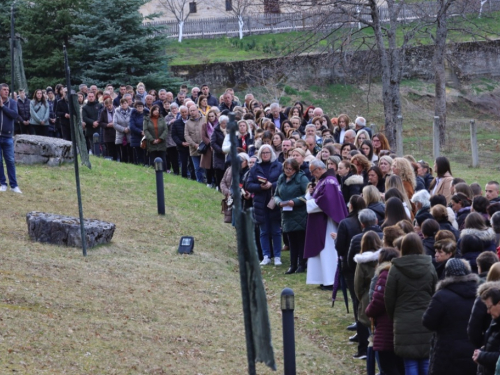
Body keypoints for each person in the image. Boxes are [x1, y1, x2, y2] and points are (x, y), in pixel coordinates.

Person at [385, 232, 438, 375]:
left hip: (404, 319)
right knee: (426, 360)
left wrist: (395, 316)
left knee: (409, 363)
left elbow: (389, 298)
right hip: (426, 318)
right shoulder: (430, 266)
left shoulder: (396, 269)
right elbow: (435, 294)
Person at [422, 258, 478, 375]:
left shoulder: (441, 296)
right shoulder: (477, 293)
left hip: (447, 351)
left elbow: (428, 322)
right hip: (473, 351)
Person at [304, 160, 348, 288]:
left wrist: (309, 203)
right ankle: (324, 279)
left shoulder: (329, 181)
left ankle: (331, 280)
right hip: (321, 221)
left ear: (318, 169)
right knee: (323, 251)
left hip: (327, 223)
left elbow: (327, 201)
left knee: (327, 251)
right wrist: (310, 194)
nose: (313, 175)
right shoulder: (325, 180)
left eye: (313, 172)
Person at [365, 248, 405, 375]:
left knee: (388, 365)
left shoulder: (385, 274)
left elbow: (378, 301)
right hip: (401, 325)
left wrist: (369, 311)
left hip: (386, 325)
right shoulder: (402, 272)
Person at [246, 145, 283, 266]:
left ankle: (277, 256)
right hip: (260, 203)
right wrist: (260, 187)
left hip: (274, 202)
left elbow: (283, 181)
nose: (265, 154)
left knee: (276, 231)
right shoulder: (255, 168)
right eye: (263, 153)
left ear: (271, 153)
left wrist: (271, 185)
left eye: (267, 152)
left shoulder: (278, 166)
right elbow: (248, 185)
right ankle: (266, 255)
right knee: (264, 231)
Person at [335, 195, 367, 333]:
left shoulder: (345, 223)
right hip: (367, 263)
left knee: (355, 297)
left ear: (351, 206)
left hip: (350, 265)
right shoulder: (366, 221)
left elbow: (339, 247)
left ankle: (360, 327)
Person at [274, 158, 309, 274]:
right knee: (291, 241)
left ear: (295, 169)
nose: (288, 171)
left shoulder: (301, 178)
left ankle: (302, 264)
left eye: (290, 169)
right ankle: (292, 264)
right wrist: (279, 202)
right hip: (286, 213)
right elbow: (276, 194)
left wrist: (295, 201)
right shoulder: (281, 178)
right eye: (286, 169)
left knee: (300, 240)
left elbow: (308, 194)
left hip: (299, 213)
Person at [353, 231, 382, 361]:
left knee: (363, 321)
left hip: (366, 296)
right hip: (380, 294)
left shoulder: (362, 262)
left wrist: (361, 297)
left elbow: (358, 284)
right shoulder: (383, 258)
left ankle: (363, 350)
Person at [474, 281, 500, 374]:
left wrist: (482, 356)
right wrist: (481, 352)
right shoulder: (495, 320)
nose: (488, 312)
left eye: (489, 307)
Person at [0, 83, 22, 193]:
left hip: (8, 136)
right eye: (4, 89)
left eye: (7, 90)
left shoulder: (12, 102)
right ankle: (2, 183)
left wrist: (2, 107)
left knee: (10, 160)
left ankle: (14, 185)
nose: (6, 91)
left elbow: (14, 115)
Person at [143, 105, 167, 170]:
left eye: (158, 110)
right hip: (151, 143)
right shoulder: (147, 119)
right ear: (152, 110)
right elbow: (145, 130)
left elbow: (165, 130)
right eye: (155, 110)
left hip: (161, 143)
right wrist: (152, 140)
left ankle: (164, 174)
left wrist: (160, 139)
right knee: (153, 160)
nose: (157, 111)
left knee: (163, 160)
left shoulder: (162, 119)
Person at [113, 98, 132, 163]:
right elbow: (115, 124)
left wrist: (128, 128)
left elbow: (133, 122)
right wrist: (123, 129)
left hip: (130, 134)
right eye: (122, 103)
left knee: (131, 152)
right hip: (120, 135)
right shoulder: (116, 112)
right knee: (122, 152)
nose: (123, 105)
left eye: (125, 103)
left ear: (128, 103)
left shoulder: (132, 111)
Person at [200, 110, 215, 188]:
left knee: (216, 167)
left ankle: (216, 183)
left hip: (216, 148)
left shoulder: (218, 125)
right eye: (209, 116)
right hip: (208, 149)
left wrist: (215, 145)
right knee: (208, 167)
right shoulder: (204, 125)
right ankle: (209, 182)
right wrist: (210, 144)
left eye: (212, 116)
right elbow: (203, 136)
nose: (211, 118)